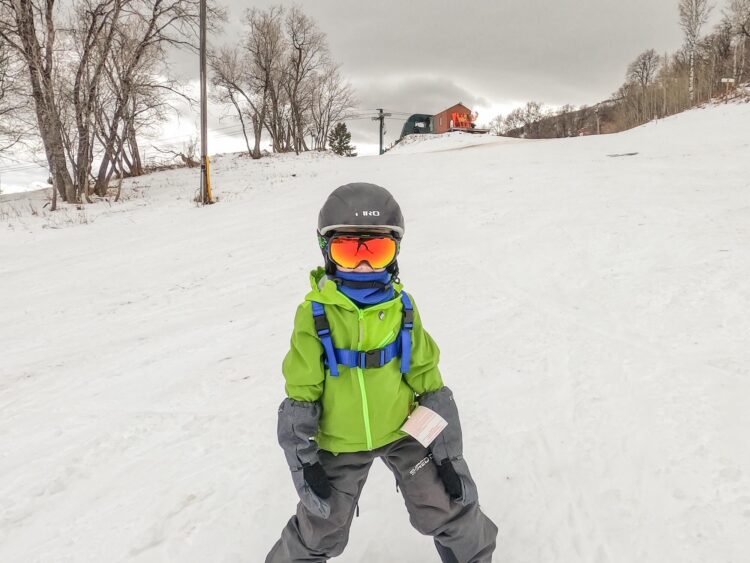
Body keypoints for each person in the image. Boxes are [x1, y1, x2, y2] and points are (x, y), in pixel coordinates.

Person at [266, 182, 497, 562]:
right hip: (339, 441)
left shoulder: (403, 308)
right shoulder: (315, 314)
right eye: (348, 249)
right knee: (321, 523)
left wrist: (448, 456)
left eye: (376, 250)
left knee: (445, 503)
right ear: (327, 251)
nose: (362, 264)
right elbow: (301, 392)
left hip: (402, 430)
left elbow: (427, 377)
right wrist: (305, 462)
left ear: (395, 252)